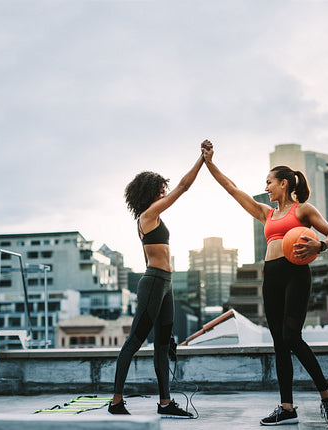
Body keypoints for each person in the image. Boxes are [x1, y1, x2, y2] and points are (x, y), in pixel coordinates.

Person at [201, 141, 328, 427]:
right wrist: (209, 163)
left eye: (269, 182)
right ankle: (287, 408)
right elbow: (232, 189)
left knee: (292, 336)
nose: (266, 187)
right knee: (279, 342)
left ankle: (327, 394)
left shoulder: (302, 210)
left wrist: (320, 245)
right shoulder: (266, 213)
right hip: (272, 275)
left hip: (295, 273)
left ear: (284, 183)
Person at [109, 142, 211, 418]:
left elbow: (147, 256)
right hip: (154, 281)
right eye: (160, 189)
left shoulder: (151, 218)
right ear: (150, 192)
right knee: (134, 341)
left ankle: (165, 403)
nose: (165, 192)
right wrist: (201, 160)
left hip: (163, 283)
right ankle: (116, 401)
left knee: (163, 345)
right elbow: (183, 187)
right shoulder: (148, 215)